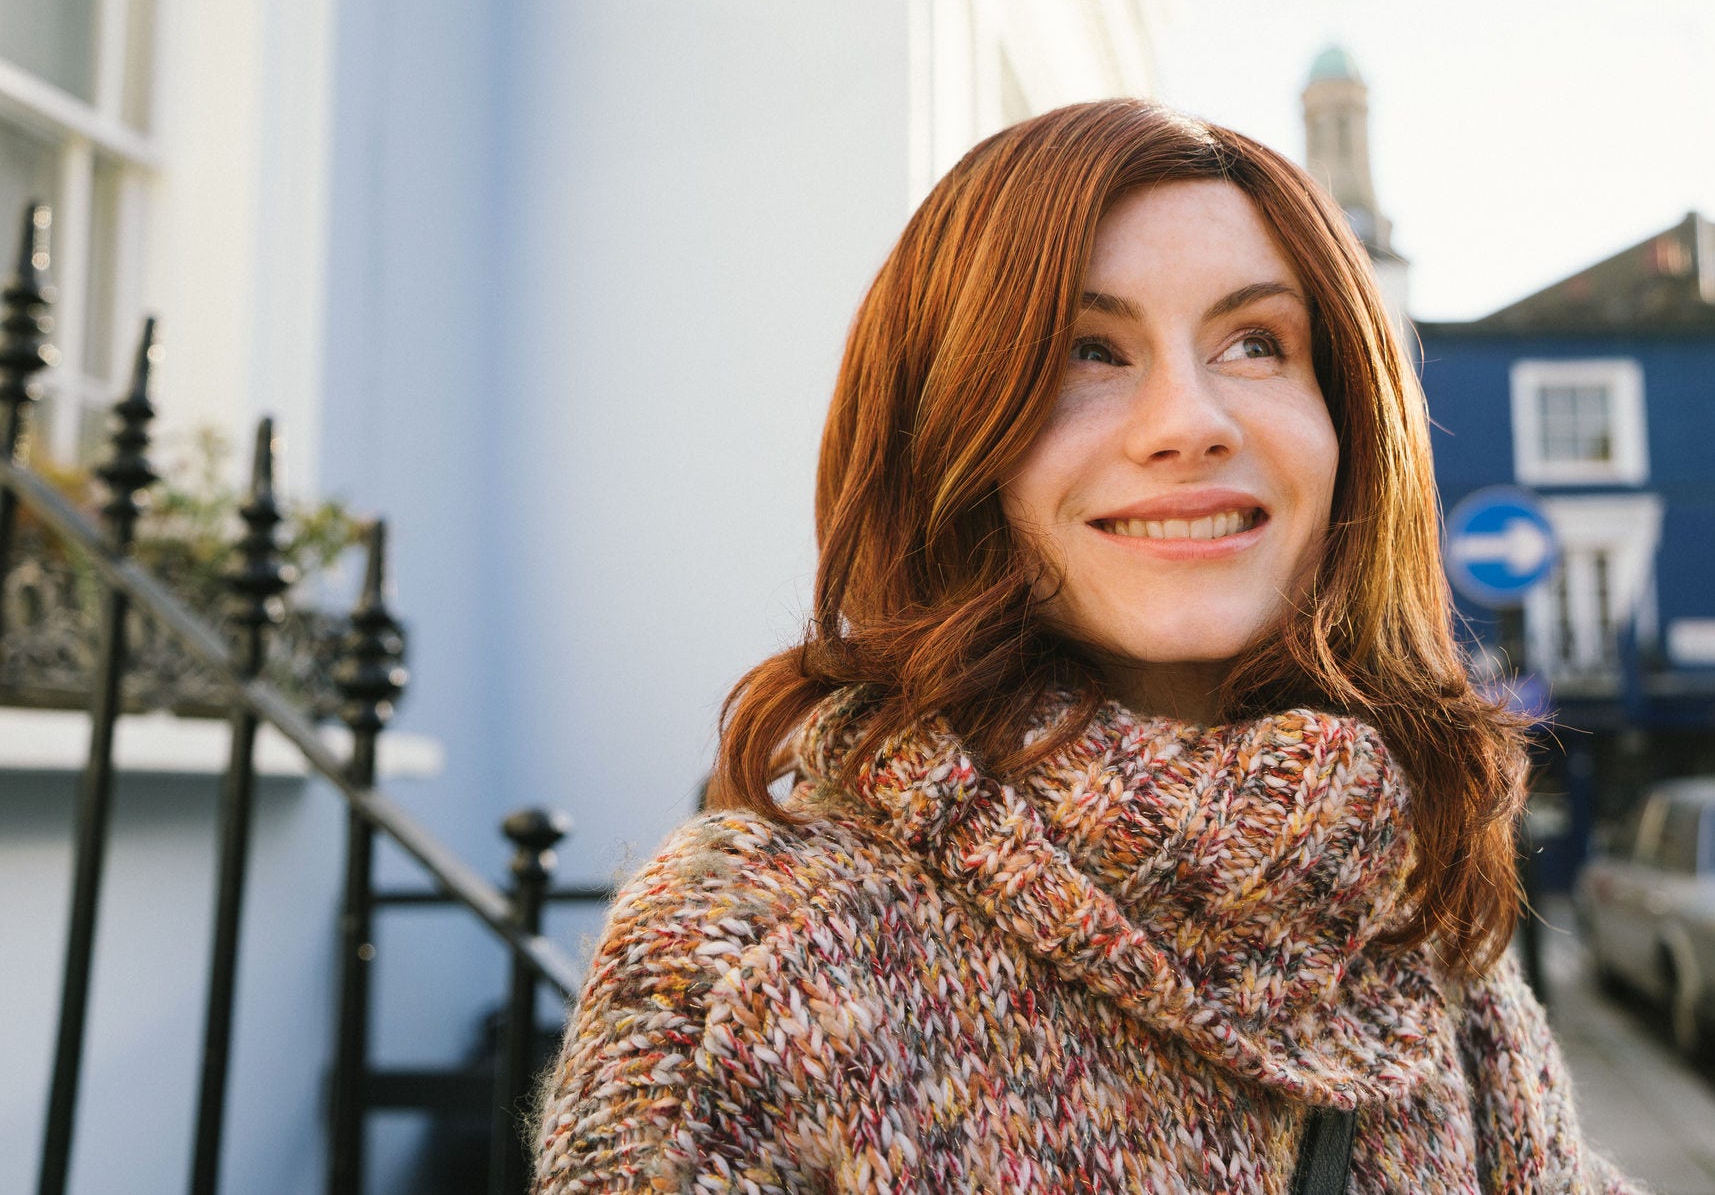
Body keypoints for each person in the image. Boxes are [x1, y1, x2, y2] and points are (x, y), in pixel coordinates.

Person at [531, 100, 1643, 1193]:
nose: (1186, 420)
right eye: (1086, 350)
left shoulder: (1419, 939)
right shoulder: (753, 950)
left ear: (1350, 426)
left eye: (1254, 342)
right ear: (946, 429)